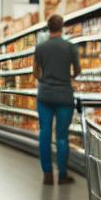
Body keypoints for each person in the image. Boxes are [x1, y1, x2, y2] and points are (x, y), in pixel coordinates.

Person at [34, 13, 80, 185]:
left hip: (45, 95)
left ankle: (47, 174)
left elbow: (35, 72)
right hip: (64, 96)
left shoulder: (41, 47)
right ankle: (62, 175)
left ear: (48, 27)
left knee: (45, 134)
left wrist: (45, 80)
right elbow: (77, 70)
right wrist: (67, 76)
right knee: (62, 136)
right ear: (62, 27)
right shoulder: (70, 47)